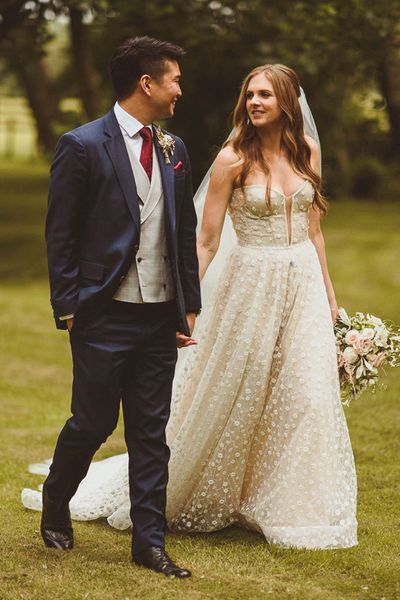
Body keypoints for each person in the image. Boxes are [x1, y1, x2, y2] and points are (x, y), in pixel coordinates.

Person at [23, 64, 357, 550]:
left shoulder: (308, 151)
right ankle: (106, 503)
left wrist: (329, 295)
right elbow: (203, 240)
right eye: (249, 95)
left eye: (265, 95)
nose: (254, 103)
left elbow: (314, 230)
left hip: (302, 284)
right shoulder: (231, 159)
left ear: (287, 101)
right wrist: (182, 305)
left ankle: (288, 504)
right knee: (229, 393)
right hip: (251, 287)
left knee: (304, 393)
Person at [35, 36, 201, 578]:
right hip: (102, 312)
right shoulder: (82, 145)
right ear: (146, 83)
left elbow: (182, 233)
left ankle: (148, 544)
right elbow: (60, 233)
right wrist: (69, 306)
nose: (180, 88)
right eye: (174, 78)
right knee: (92, 420)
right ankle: (57, 498)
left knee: (151, 432)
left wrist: (187, 306)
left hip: (159, 315)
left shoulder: (175, 150)